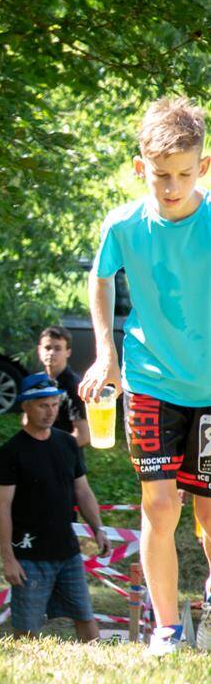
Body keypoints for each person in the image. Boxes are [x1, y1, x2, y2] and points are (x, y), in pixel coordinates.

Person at [79, 97, 211, 655]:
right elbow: (100, 279)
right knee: (159, 505)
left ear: (203, 166)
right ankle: (167, 629)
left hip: (209, 389)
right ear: (141, 168)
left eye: (184, 173)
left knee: (208, 513)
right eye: (161, 175)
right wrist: (105, 353)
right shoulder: (123, 224)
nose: (172, 187)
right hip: (151, 381)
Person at [0, 373, 111, 641]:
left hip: (67, 551)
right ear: (26, 406)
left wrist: (99, 528)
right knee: (26, 629)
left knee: (86, 617)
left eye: (54, 405)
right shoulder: (11, 451)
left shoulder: (67, 443)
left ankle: (96, 663)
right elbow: (2, 508)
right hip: (29, 555)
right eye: (42, 405)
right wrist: (8, 558)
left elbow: (83, 491)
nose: (50, 412)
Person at [36, 325, 90, 447]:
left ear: (68, 352)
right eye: (47, 348)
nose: (51, 353)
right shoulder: (38, 382)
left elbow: (83, 435)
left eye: (57, 348)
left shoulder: (74, 387)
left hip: (64, 454)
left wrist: (50, 451)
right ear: (39, 350)